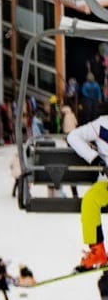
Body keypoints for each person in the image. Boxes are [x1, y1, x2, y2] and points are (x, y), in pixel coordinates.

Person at [64, 113, 108, 269]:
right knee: (90, 200)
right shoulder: (102, 125)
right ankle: (97, 250)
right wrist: (95, 158)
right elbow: (73, 137)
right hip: (106, 184)